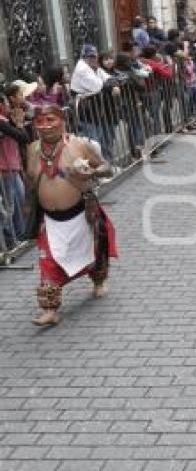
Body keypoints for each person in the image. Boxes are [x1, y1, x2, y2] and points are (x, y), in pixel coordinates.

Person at [24, 104, 118, 326]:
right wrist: (28, 207)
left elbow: (107, 167)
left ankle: (98, 280)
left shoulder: (79, 144)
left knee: (94, 253)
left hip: (81, 215)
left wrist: (92, 171)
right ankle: (50, 310)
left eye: (50, 119)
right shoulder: (32, 149)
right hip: (50, 220)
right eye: (40, 122)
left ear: (62, 120)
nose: (45, 126)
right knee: (48, 263)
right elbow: (30, 182)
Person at [0, 87, 30, 246]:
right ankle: (10, 241)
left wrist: (18, 121)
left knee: (20, 198)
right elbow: (23, 136)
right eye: (5, 102)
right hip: (5, 169)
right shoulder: (2, 122)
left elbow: (25, 134)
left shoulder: (6, 120)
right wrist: (19, 124)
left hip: (13, 167)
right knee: (9, 206)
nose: (7, 106)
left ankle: (21, 233)